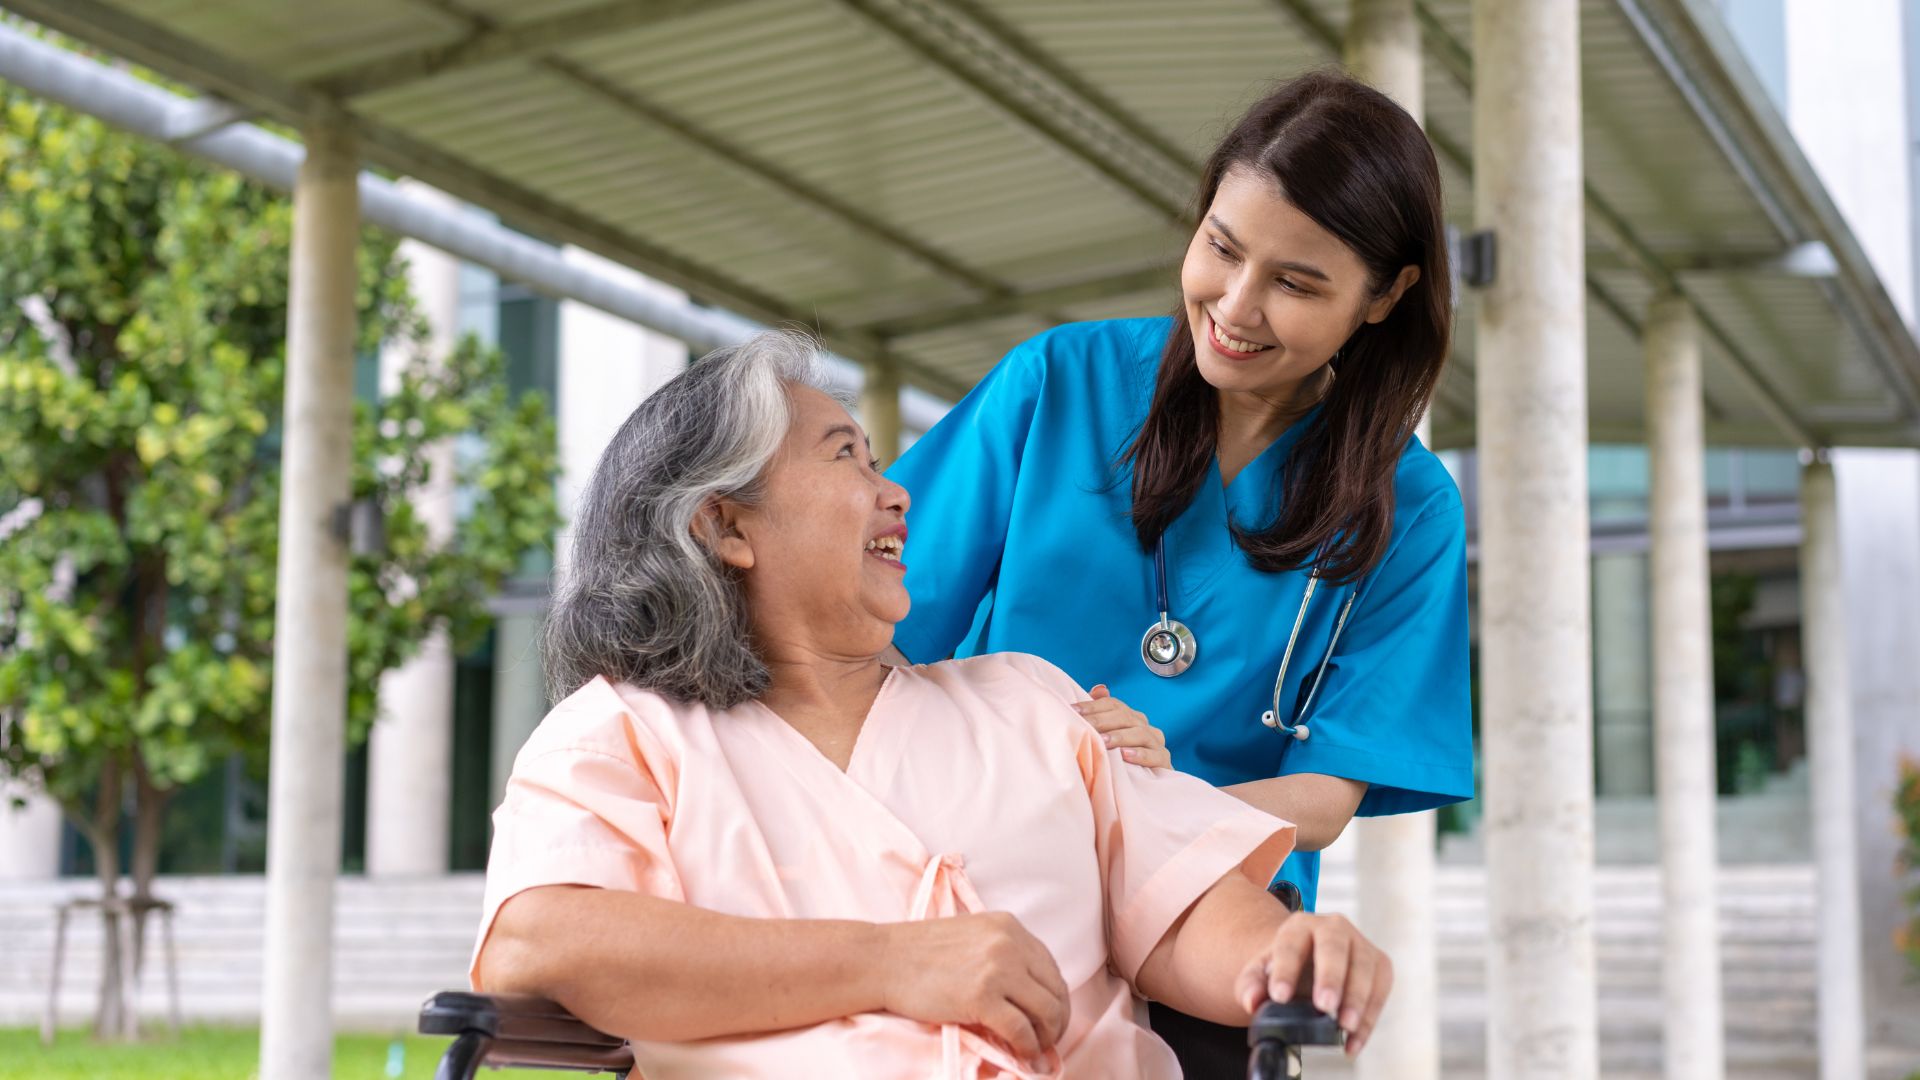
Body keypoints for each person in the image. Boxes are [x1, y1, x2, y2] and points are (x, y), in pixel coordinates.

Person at [470, 332, 1392, 1078]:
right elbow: (539, 942)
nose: (898, 492)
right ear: (726, 525)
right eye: (847, 460)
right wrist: (894, 963)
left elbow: (1183, 909)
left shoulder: (1032, 702)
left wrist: (1292, 952)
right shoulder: (622, 731)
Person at [882, 70, 1473, 1068]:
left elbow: (1321, 798)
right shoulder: (1054, 387)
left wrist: (1117, 804)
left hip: (1206, 920)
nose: (1235, 308)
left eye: (1296, 282)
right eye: (1222, 249)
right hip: (976, 872)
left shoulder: (1411, 512)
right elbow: (874, 627)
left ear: (1386, 297)